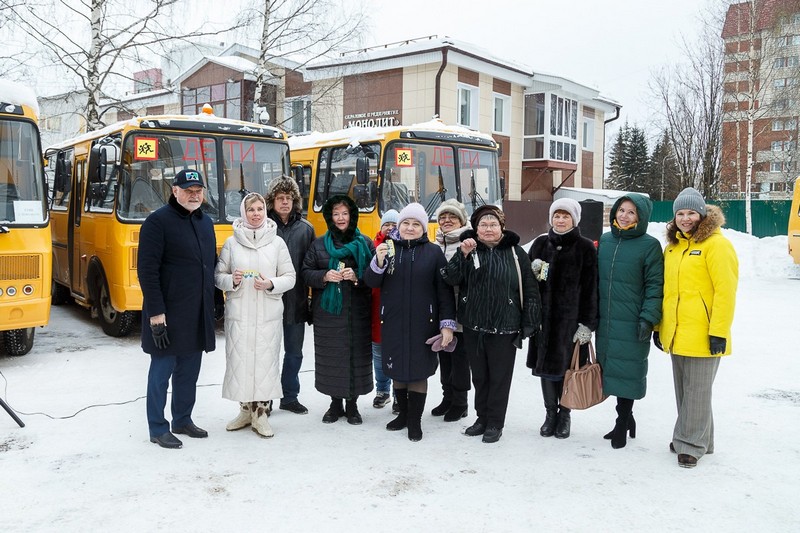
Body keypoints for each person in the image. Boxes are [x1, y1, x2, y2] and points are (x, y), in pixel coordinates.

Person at [442, 205, 540, 443]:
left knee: (499, 378)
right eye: (483, 225)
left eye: (493, 224)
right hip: (474, 327)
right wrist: (462, 255)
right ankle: (482, 418)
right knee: (480, 377)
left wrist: (529, 323)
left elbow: (530, 290)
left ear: (501, 227)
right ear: (476, 228)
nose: (488, 229)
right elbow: (450, 278)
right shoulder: (469, 250)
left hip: (505, 328)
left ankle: (495, 422)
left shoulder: (516, 253)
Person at [657, 187, 738, 468]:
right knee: (684, 390)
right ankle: (698, 438)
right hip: (678, 332)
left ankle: (690, 444)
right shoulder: (674, 247)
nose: (685, 218)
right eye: (680, 213)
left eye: (691, 212)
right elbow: (668, 292)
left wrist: (719, 331)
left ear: (702, 214)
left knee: (698, 391)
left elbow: (725, 292)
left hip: (704, 332)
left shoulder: (717, 245)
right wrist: (660, 327)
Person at [138, 169, 217, 449]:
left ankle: (182, 419)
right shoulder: (157, 222)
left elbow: (209, 265)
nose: (194, 195)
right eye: (188, 190)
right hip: (168, 314)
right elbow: (147, 272)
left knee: (189, 372)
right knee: (161, 373)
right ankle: (157, 427)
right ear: (175, 191)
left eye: (198, 190)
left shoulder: (205, 222)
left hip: (196, 313)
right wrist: (156, 315)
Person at [365, 203, 456, 441]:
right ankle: (402, 415)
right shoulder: (387, 248)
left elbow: (444, 292)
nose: (410, 228)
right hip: (393, 321)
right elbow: (371, 282)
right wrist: (379, 262)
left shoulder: (433, 252)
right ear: (399, 225)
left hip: (422, 323)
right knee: (397, 369)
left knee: (417, 372)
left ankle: (415, 421)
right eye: (406, 223)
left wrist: (447, 324)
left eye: (416, 224)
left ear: (423, 228)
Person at [215, 192, 296, 438]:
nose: (256, 213)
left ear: (265, 211)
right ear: (243, 213)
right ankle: (244, 411)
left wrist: (271, 283)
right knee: (241, 362)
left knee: (264, 363)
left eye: (260, 209)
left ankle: (261, 413)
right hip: (240, 314)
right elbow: (218, 277)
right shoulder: (231, 243)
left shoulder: (277, 243)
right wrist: (233, 280)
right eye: (251, 210)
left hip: (267, 315)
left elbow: (290, 277)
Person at [595, 193, 664, 449]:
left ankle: (622, 423)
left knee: (628, 372)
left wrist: (648, 318)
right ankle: (627, 418)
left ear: (641, 217)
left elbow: (655, 286)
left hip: (632, 321)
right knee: (611, 371)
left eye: (631, 212)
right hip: (606, 320)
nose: (624, 215)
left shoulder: (649, 246)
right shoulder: (605, 240)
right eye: (621, 210)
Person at [527, 198, 598, 440]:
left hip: (571, 323)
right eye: (556, 215)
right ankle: (550, 414)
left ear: (574, 219)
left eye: (565, 216)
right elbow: (525, 286)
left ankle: (565, 414)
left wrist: (587, 324)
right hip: (544, 323)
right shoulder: (539, 244)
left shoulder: (585, 248)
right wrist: (532, 272)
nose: (560, 220)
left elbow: (591, 288)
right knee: (547, 370)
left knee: (569, 370)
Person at [301, 195, 374, 425]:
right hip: (328, 314)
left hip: (357, 313)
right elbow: (305, 272)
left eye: (345, 213)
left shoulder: (365, 242)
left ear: (352, 215)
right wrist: (324, 276)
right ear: (329, 217)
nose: (341, 218)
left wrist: (357, 277)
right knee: (331, 358)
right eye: (336, 214)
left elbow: (376, 277)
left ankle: (352, 406)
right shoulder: (319, 243)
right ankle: (334, 404)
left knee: (355, 358)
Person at [265, 176, 316, 416]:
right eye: (280, 198)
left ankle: (290, 396)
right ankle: (266, 396)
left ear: (295, 201)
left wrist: (312, 302)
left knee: (294, 352)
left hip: (296, 303)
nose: (285, 202)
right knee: (268, 352)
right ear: (272, 201)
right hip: (267, 302)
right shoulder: (263, 226)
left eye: (289, 198)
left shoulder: (306, 229)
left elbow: (311, 267)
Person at [431, 199, 472, 422]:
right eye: (443, 218)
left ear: (461, 221)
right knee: (444, 356)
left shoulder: (468, 244)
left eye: (452, 217)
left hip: (463, 313)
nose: (447, 221)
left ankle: (460, 402)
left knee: (460, 359)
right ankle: (447, 397)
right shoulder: (437, 245)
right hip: (442, 312)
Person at [370, 209, 399, 410]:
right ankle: (382, 390)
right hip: (375, 307)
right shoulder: (372, 246)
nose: (390, 228)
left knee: (398, 353)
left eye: (394, 225)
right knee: (378, 352)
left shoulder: (405, 247)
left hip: (397, 309)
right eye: (386, 225)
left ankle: (399, 393)